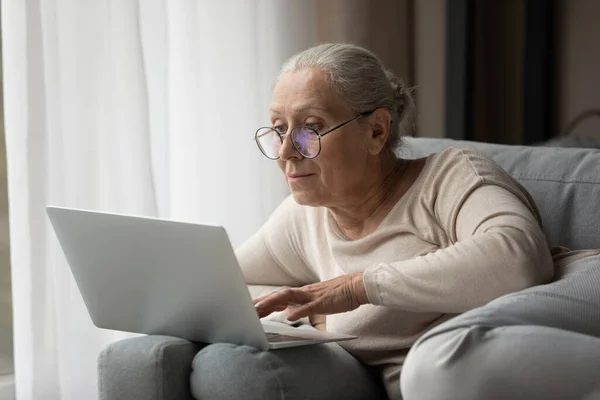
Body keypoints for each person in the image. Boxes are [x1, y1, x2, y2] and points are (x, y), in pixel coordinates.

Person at [189, 43, 555, 400]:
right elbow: (224, 289)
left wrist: (353, 289)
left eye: (310, 128)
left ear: (376, 131)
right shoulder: (305, 216)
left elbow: (517, 257)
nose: (286, 152)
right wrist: (310, 316)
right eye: (279, 128)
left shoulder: (450, 177)